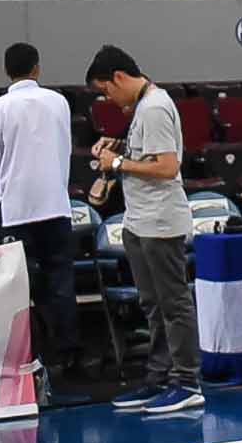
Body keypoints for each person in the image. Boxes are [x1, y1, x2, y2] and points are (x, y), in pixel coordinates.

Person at [87, 46, 202, 416]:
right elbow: (148, 154)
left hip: (160, 222)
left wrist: (117, 162)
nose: (108, 98)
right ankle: (159, 376)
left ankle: (186, 381)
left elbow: (167, 167)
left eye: (106, 90)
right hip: (140, 220)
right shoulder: (142, 108)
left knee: (173, 304)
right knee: (154, 305)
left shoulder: (153, 108)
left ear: (118, 77)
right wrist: (119, 146)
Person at [0, 43, 82, 400]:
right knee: (60, 282)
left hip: (17, 210)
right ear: (37, 68)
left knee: (20, 288)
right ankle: (67, 357)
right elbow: (64, 149)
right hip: (55, 204)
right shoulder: (58, 102)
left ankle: (30, 357)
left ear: (7, 71)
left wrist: (2, 193)